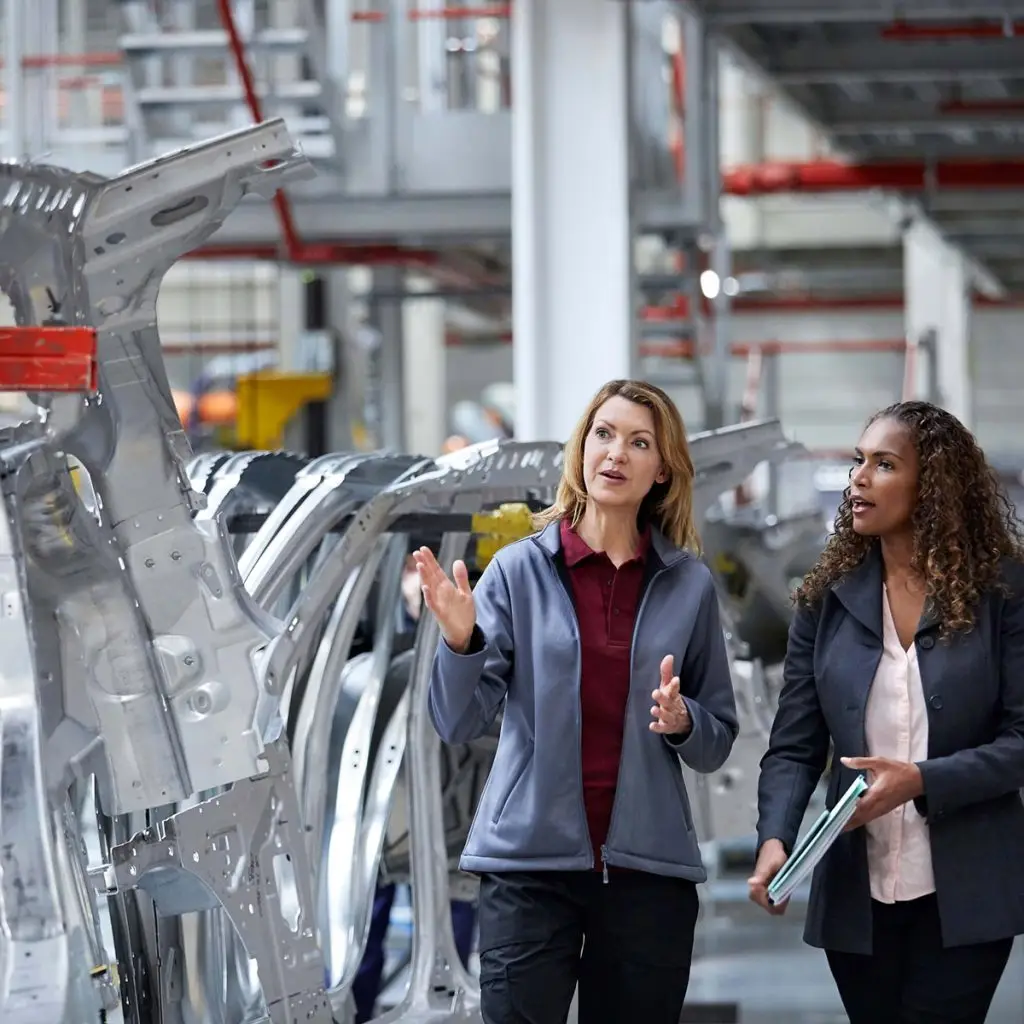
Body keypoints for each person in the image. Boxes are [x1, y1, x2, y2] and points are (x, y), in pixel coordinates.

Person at [414, 379, 739, 1024]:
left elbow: (718, 736)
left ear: (662, 470)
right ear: (582, 449)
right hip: (529, 871)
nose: (616, 452)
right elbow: (457, 720)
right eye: (604, 434)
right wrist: (460, 642)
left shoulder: (690, 584)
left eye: (638, 442)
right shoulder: (518, 571)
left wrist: (683, 722)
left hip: (649, 875)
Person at [749, 400, 1024, 1023]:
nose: (858, 479)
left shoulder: (1003, 593)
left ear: (933, 486)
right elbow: (793, 745)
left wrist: (921, 782)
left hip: (968, 893)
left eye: (884, 464)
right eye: (858, 462)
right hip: (857, 898)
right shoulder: (825, 602)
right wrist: (775, 839)